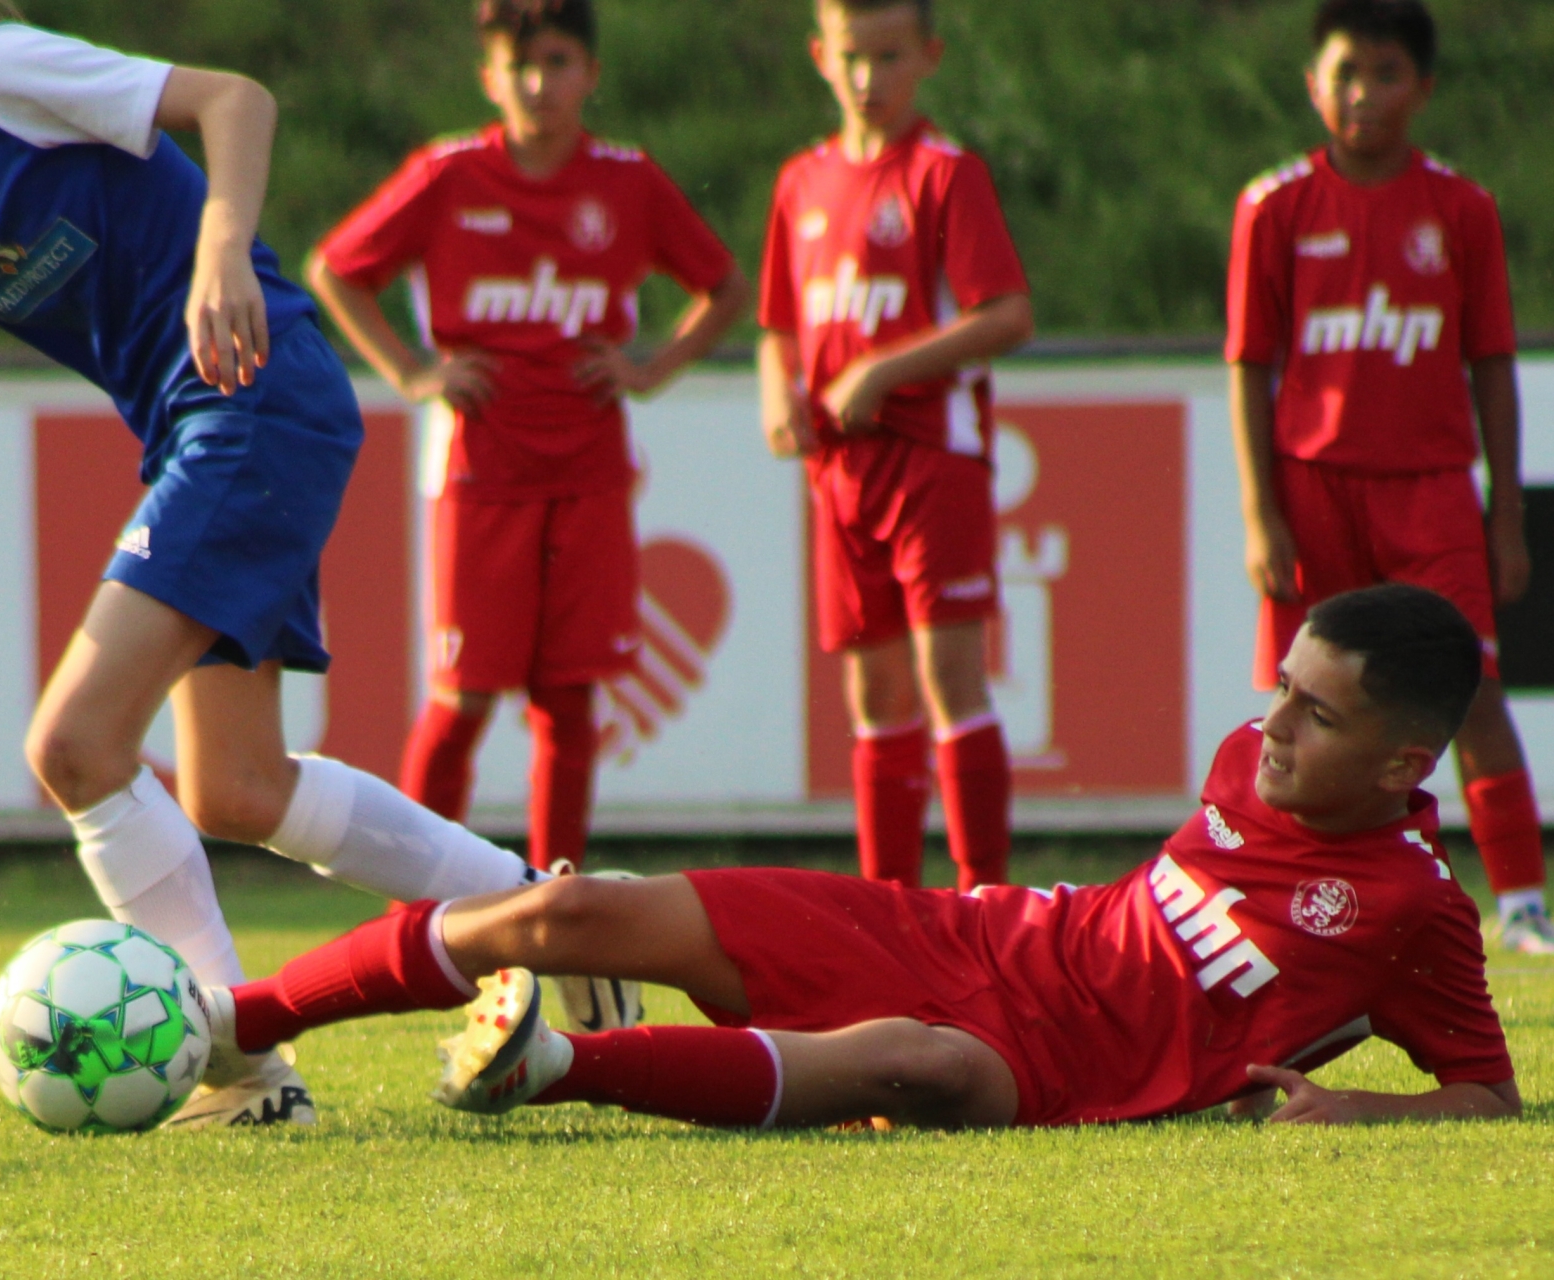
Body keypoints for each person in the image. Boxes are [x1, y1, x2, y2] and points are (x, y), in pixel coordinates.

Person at [0, 0, 567, 1128]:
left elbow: (235, 100)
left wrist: (221, 251)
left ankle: (244, 1074)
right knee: (237, 788)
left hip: (250, 401)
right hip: (213, 425)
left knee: (75, 746)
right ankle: (555, 920)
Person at [190, 584, 1519, 1130]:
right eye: (1282, 687)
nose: (1272, 724)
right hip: (969, 934)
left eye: (1316, 713)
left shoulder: (1411, 909)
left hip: (1045, 1067)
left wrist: (1363, 1112)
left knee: (914, 1063)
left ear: (1401, 763)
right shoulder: (1251, 756)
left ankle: (552, 1068)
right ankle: (237, 1022)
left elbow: (1490, 1097)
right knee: (570, 909)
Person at [306, 0, 750, 875]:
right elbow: (337, 270)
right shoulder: (449, 175)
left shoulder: (627, 182)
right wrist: (413, 373)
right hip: (480, 473)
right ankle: (415, 901)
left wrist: (651, 368)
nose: (539, 84)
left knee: (569, 703)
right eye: (520, 66)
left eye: (556, 63)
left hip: (589, 473)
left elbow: (726, 287)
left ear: (591, 73)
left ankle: (556, 897)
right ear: (490, 78)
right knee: (461, 700)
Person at [1226, 0, 1552, 953]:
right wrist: (1260, 513)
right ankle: (1280, 894)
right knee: (1299, 701)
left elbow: (1492, 363)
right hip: (1313, 490)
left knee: (1472, 687)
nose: (1363, 93)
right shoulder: (1273, 205)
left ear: (1424, 87)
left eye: (1385, 74)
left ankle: (1522, 904)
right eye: (1345, 73)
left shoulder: (1461, 208)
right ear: (1311, 84)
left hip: (1431, 490)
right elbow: (1249, 365)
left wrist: (1505, 516)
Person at [757, 0, 1033, 891]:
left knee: (951, 678)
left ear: (928, 57)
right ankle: (888, 906)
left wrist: (881, 371)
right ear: (819, 56)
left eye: (888, 56)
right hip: (840, 471)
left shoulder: (944, 174)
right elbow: (778, 326)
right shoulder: (802, 181)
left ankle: (983, 896)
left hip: (932, 458)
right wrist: (777, 393)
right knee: (874, 695)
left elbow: (1007, 315)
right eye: (852, 56)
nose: (867, 77)